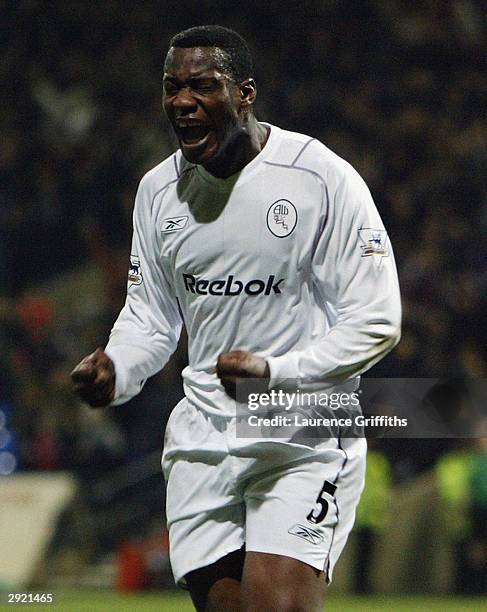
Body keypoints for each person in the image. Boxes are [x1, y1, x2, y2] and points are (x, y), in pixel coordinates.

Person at [71, 25, 401, 612]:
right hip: (202, 435)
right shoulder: (157, 191)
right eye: (171, 88)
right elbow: (151, 316)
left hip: (301, 428)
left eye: (201, 86)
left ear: (244, 92)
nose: (181, 102)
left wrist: (276, 370)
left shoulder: (320, 178)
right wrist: (115, 367)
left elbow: (377, 319)